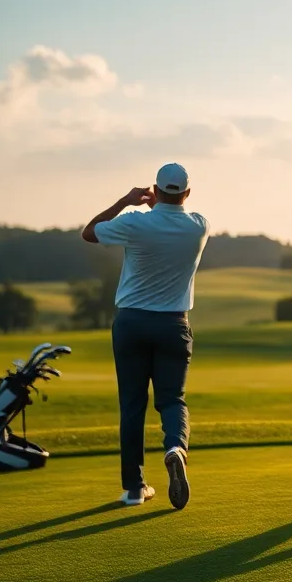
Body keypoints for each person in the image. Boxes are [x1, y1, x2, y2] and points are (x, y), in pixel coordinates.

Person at [81, 162, 210, 509]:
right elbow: (169, 218)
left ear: (155, 189)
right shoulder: (199, 226)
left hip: (132, 324)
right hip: (173, 325)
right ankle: (175, 447)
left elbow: (90, 232)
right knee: (172, 399)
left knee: (132, 405)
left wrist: (126, 200)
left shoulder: (135, 222)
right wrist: (159, 205)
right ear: (187, 192)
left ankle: (134, 489)